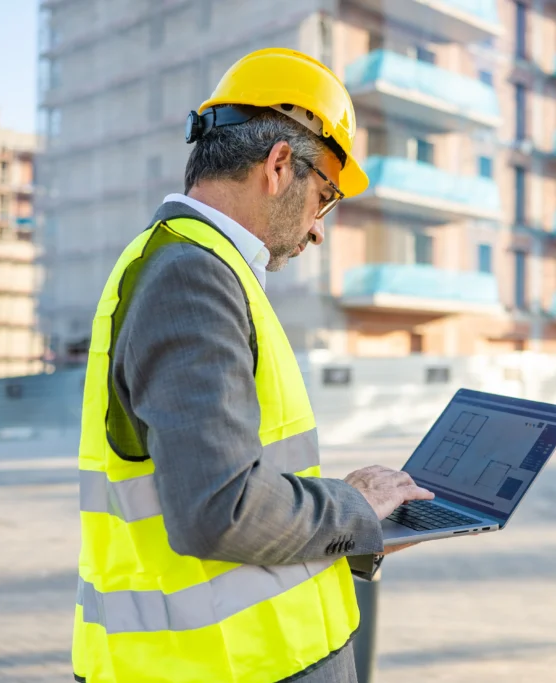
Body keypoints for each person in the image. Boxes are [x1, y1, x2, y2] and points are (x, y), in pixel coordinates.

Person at [71, 47, 434, 683]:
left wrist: (362, 528)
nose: (319, 230)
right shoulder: (191, 277)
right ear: (278, 165)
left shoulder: (192, 264)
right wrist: (351, 505)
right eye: (324, 197)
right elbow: (221, 509)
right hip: (226, 668)